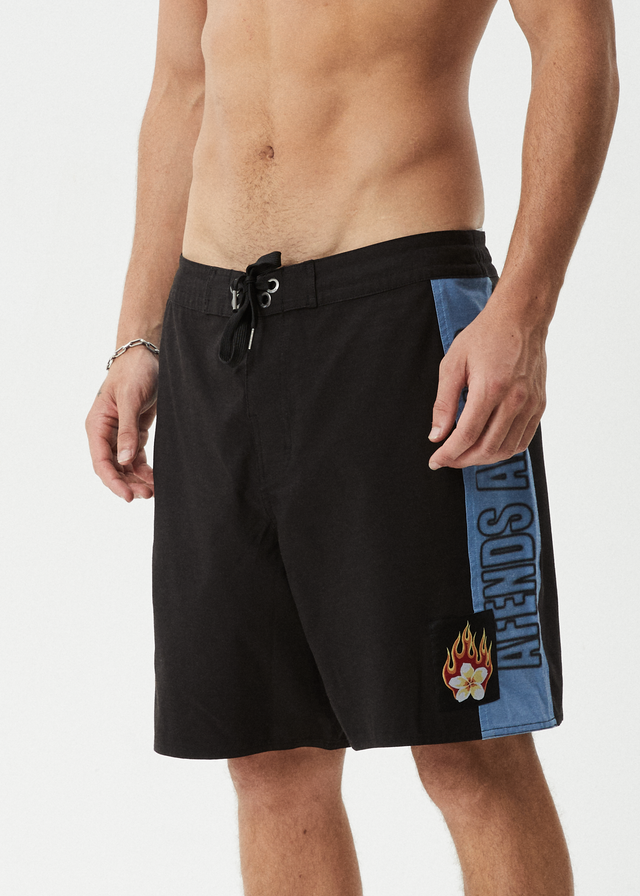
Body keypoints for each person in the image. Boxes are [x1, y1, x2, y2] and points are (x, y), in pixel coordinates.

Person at [85, 0, 618, 892]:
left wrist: (524, 311)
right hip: (216, 328)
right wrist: (138, 335)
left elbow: (575, 41)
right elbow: (183, 84)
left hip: (402, 315)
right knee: (268, 758)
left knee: (467, 744)